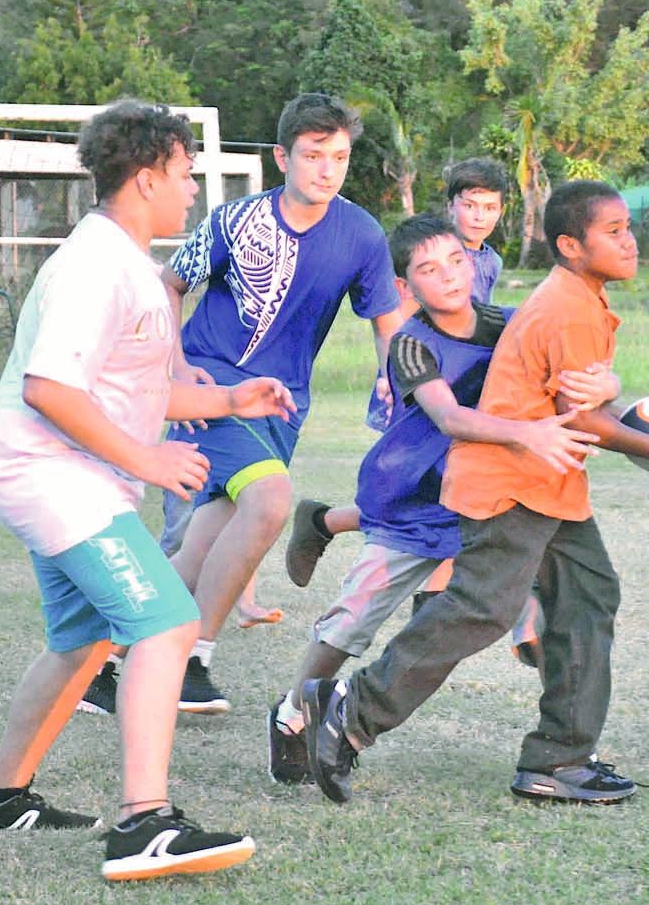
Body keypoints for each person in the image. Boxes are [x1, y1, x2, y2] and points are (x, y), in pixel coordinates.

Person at [0, 99, 293, 880]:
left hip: (69, 475)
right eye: (184, 174)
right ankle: (145, 823)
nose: (192, 191)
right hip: (47, 472)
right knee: (168, 622)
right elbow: (50, 388)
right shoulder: (93, 266)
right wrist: (148, 463)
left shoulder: (128, 263)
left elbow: (120, 388)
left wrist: (227, 401)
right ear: (146, 178)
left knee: (83, 643)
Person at [298, 179, 649, 806]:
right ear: (571, 245)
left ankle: (559, 759)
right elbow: (533, 415)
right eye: (614, 232)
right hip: (506, 484)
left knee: (588, 595)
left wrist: (625, 407)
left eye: (628, 228)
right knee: (481, 608)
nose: (630, 242)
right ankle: (353, 711)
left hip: (552, 482)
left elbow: (581, 395)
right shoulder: (556, 308)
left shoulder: (565, 303)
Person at [82, 94, 407, 718]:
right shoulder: (234, 219)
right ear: (284, 157)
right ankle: (191, 658)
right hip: (210, 390)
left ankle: (103, 664)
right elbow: (169, 284)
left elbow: (387, 323)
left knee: (201, 544)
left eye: (339, 157)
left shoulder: (362, 235)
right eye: (314, 156)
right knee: (269, 499)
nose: (327, 169)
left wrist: (396, 376)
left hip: (281, 409)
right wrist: (177, 368)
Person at [267, 213, 612, 783]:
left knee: (510, 602)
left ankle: (561, 737)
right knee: (352, 623)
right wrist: (530, 434)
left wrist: (607, 386)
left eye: (456, 261)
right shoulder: (410, 344)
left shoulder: (508, 323)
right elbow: (450, 417)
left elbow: (570, 373)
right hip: (410, 500)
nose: (449, 277)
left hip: (479, 499)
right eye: (429, 269)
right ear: (405, 288)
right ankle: (294, 712)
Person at [285, 156, 513, 586]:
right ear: (451, 206)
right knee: (409, 491)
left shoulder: (490, 262)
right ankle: (334, 533)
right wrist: (390, 374)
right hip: (417, 384)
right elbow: (398, 317)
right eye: (470, 205)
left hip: (461, 393)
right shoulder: (431, 253)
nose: (479, 216)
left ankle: (328, 525)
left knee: (443, 493)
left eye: (489, 207)